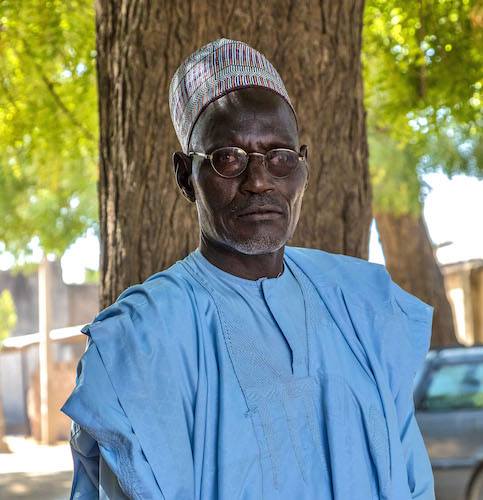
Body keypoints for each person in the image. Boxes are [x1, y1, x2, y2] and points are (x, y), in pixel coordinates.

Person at [62, 38, 435, 499]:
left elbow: (413, 481)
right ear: (186, 177)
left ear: (303, 167)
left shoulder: (362, 304)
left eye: (279, 157)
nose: (259, 180)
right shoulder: (145, 338)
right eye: (228, 159)